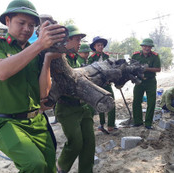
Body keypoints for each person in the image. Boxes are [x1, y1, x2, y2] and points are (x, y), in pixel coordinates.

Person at [0, 0, 66, 172]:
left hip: (37, 121)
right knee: (34, 165)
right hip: (5, 122)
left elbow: (43, 93)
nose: (27, 29)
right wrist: (39, 45)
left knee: (49, 167)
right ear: (7, 21)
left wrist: (47, 58)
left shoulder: (35, 51)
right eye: (22, 23)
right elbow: (2, 72)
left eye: (32, 25)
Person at [55, 25, 95, 173]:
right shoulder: (57, 58)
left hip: (83, 107)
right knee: (75, 143)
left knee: (89, 143)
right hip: (67, 108)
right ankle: (61, 168)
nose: (80, 43)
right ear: (67, 40)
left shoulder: (76, 59)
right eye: (77, 39)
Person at [88, 36, 117, 133]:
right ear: (94, 47)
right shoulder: (91, 58)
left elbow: (111, 68)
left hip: (108, 83)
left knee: (111, 102)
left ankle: (111, 125)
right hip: (98, 84)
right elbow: (89, 71)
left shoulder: (107, 57)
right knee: (100, 104)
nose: (100, 47)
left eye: (102, 45)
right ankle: (101, 124)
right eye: (98, 45)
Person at [132, 38, 161, 129]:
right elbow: (130, 67)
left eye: (149, 47)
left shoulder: (155, 56)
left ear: (151, 47)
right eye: (145, 46)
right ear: (142, 46)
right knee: (136, 101)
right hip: (139, 81)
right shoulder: (135, 55)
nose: (146, 48)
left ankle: (148, 123)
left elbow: (158, 69)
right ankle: (138, 121)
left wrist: (147, 69)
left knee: (151, 102)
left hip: (150, 81)